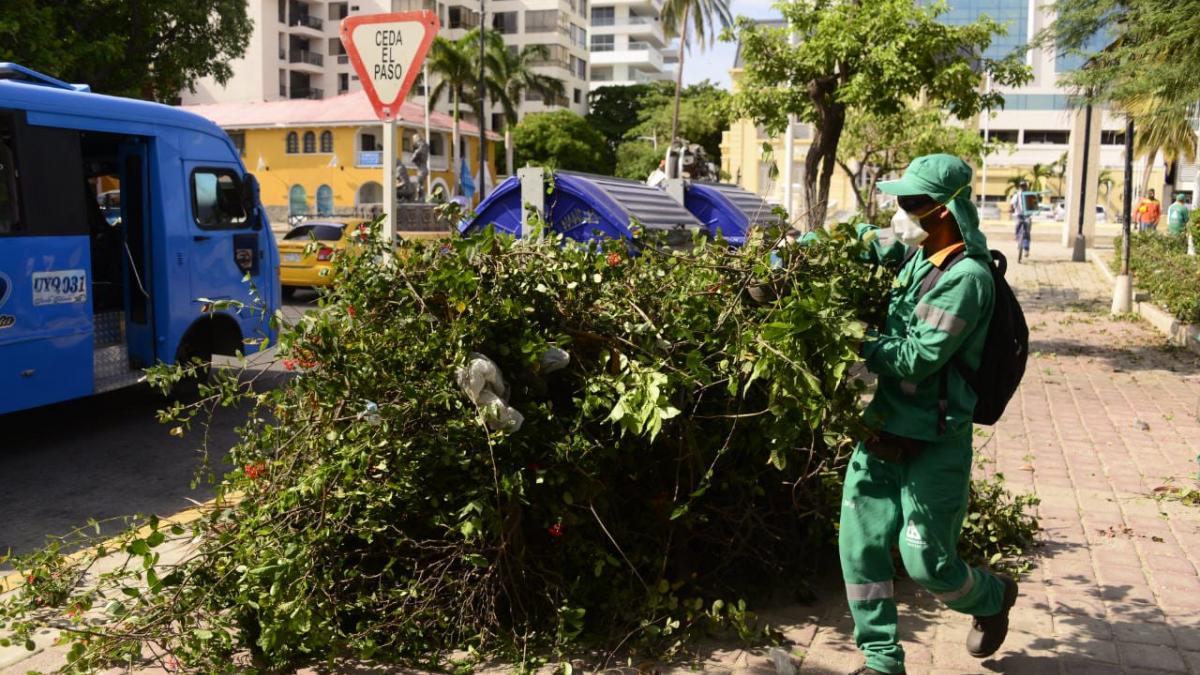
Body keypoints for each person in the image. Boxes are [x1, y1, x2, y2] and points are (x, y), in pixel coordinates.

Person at [841, 154, 1018, 675]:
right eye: (901, 200)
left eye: (913, 203)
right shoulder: (919, 254)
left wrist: (849, 336)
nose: (902, 211)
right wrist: (801, 254)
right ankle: (880, 661)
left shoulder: (966, 278)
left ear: (945, 210)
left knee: (927, 560)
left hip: (935, 439)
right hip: (882, 429)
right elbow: (871, 242)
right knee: (860, 549)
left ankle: (990, 597)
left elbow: (917, 355)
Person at [1009, 181, 1031, 263]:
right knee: (1017, 226)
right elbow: (1012, 203)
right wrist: (1011, 209)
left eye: (1024, 186)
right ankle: (1017, 238)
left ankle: (1026, 249)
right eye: (1021, 186)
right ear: (1020, 187)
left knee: (1027, 232)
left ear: (1026, 187)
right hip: (1019, 215)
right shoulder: (1017, 195)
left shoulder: (1029, 195)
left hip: (1027, 216)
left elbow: (1034, 204)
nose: (1023, 187)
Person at [410, 134, 430, 201]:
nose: (415, 142)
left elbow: (413, 158)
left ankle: (421, 198)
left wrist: (415, 153)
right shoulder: (424, 147)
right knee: (420, 185)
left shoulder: (421, 148)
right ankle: (420, 198)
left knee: (419, 185)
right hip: (422, 169)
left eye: (415, 140)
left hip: (422, 170)